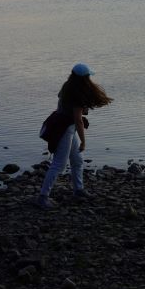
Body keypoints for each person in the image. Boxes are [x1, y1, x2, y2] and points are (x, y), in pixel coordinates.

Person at [36, 63, 113, 209]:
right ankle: (43, 197)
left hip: (65, 127)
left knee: (77, 160)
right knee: (59, 164)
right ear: (85, 78)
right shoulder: (77, 94)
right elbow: (78, 120)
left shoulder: (68, 86)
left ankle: (79, 190)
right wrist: (83, 141)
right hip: (65, 129)